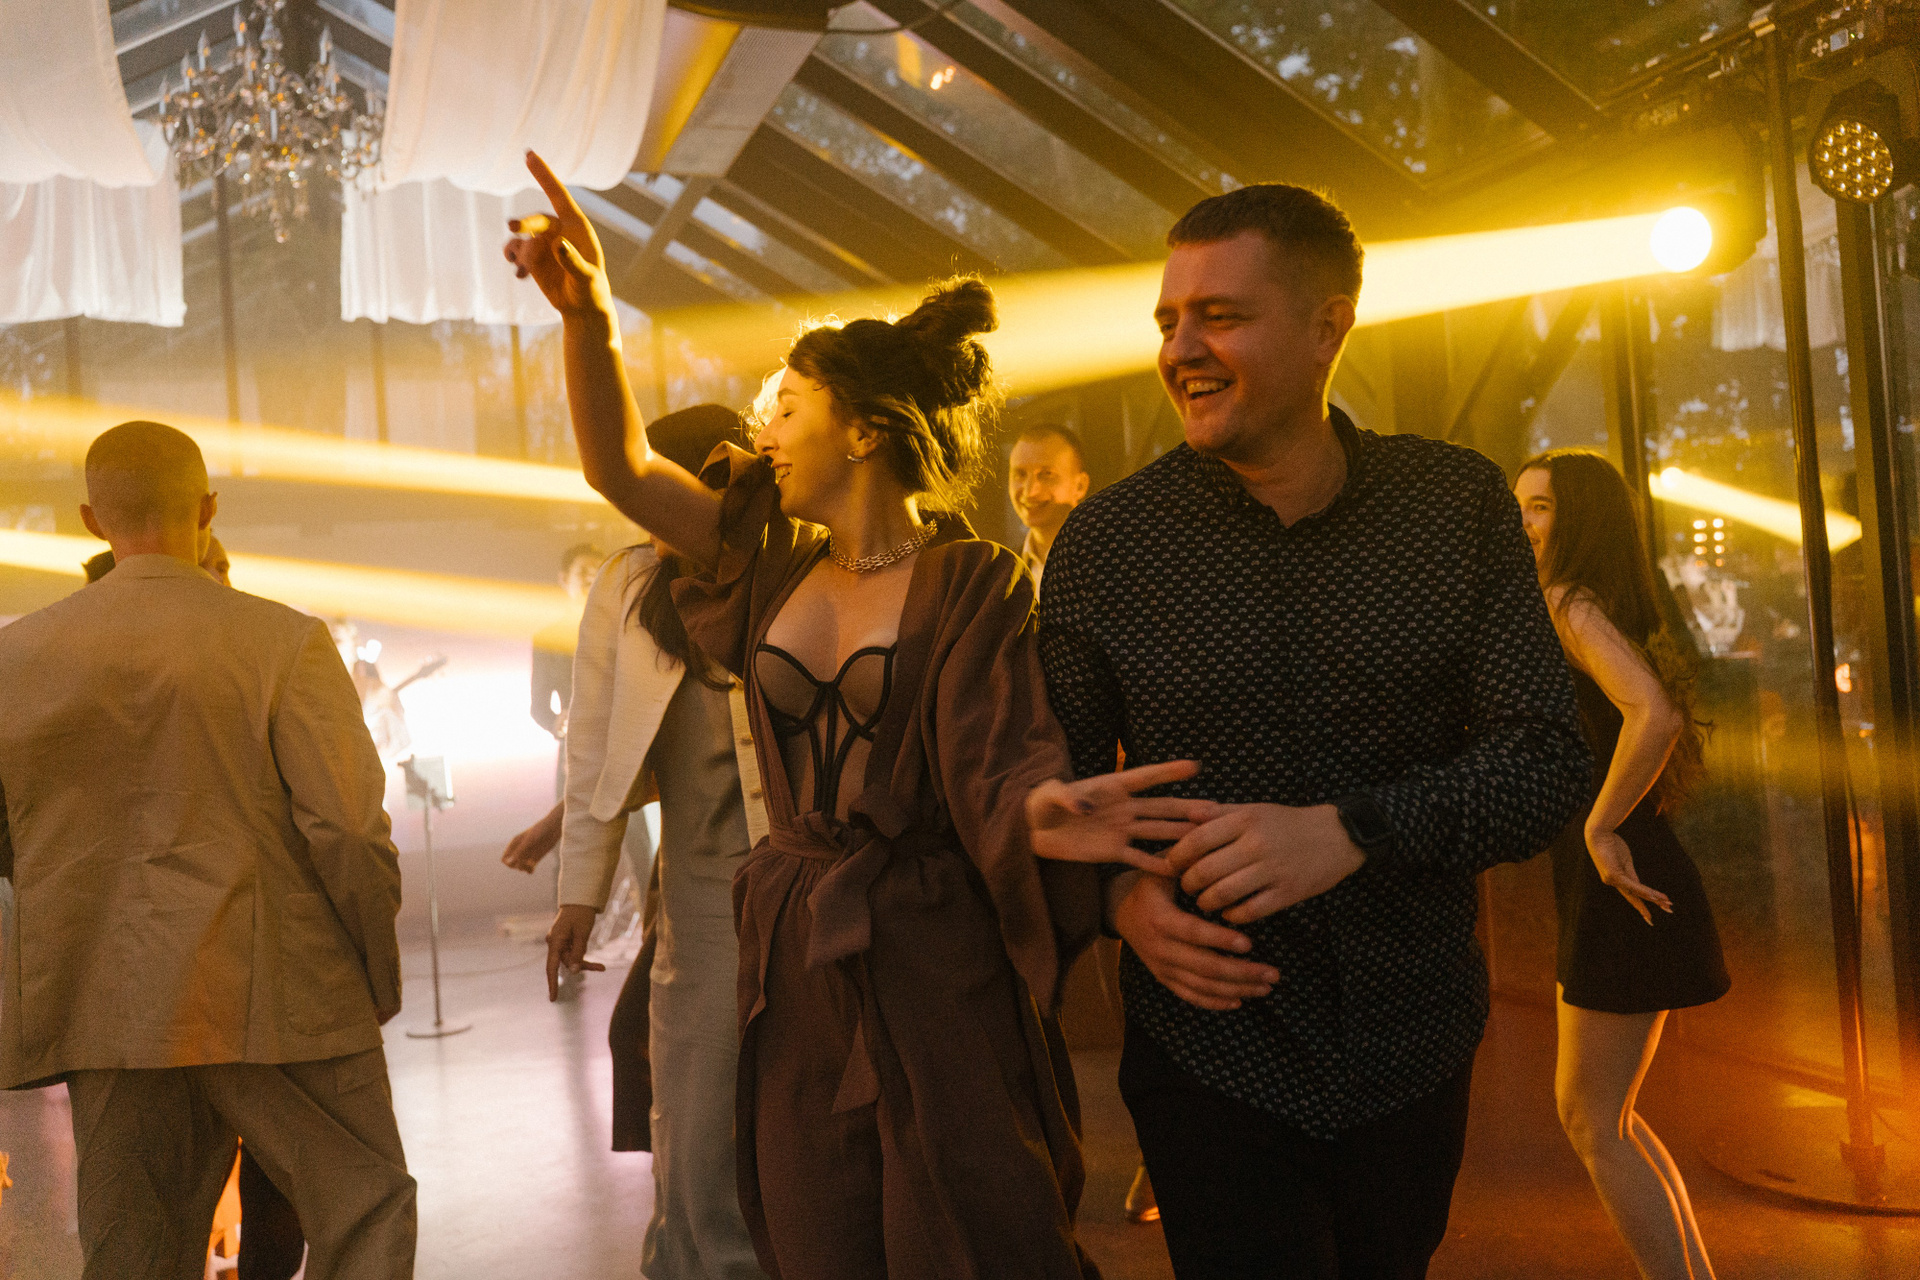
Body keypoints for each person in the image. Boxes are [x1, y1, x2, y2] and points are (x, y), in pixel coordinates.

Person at [504, 151, 1198, 1280]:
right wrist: (589, 319)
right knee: (812, 1214)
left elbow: (993, 749)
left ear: (865, 431)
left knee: (961, 1220)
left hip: (928, 943)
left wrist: (1044, 811)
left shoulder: (970, 579)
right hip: (789, 943)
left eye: (786, 408)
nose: (764, 432)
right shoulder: (767, 563)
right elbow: (620, 468)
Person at [1030, 185, 1592, 1278]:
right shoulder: (1107, 545)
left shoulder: (1455, 505)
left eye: (1220, 317)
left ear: (1329, 326)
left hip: (1413, 1042)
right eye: (1167, 321)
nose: (1180, 349)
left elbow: (1544, 760)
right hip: (1207, 1053)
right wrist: (1115, 897)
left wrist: (1352, 829)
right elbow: (1056, 789)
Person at [0, 421, 413, 1280]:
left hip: (107, 1002)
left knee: (133, 1251)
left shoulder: (15, 658)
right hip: (280, 988)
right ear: (209, 509)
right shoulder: (282, 641)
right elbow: (346, 828)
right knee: (361, 1210)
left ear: (91, 519)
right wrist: (374, 966)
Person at [535, 403, 771, 1280]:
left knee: (802, 1122)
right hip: (703, 900)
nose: (651, 519)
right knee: (697, 1129)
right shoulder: (629, 588)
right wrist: (578, 896)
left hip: (808, 889)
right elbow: (593, 747)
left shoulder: (788, 567)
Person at [1514, 450, 1729, 1280]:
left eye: (1538, 508)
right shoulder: (1587, 603)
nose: (1522, 523)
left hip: (1622, 882)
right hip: (1621, 880)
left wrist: (1602, 828)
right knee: (1609, 1120)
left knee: (1592, 1121)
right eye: (1520, 506)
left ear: (1579, 521)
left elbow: (1654, 713)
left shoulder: (1568, 602)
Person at [1008, 423, 1090, 585]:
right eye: (1020, 474)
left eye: (1047, 474)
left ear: (1080, 486)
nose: (1030, 492)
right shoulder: (1005, 572)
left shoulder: (1106, 562)